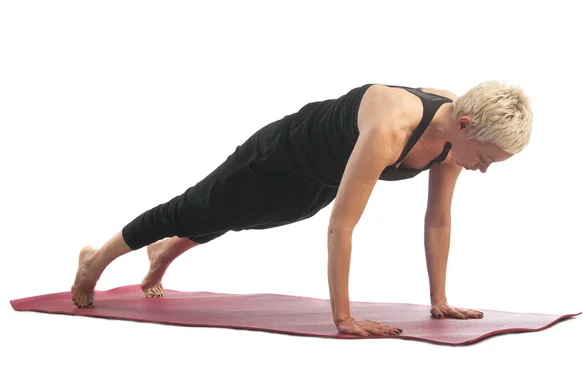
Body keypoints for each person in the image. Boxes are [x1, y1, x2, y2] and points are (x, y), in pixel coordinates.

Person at [71, 81, 533, 337]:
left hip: (320, 178)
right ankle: (96, 260)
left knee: (241, 216)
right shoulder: (394, 127)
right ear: (467, 124)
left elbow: (437, 220)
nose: (484, 171)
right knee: (196, 206)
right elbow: (343, 227)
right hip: (280, 152)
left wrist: (439, 301)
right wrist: (342, 317)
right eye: (488, 160)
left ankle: (164, 253)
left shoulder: (454, 143)